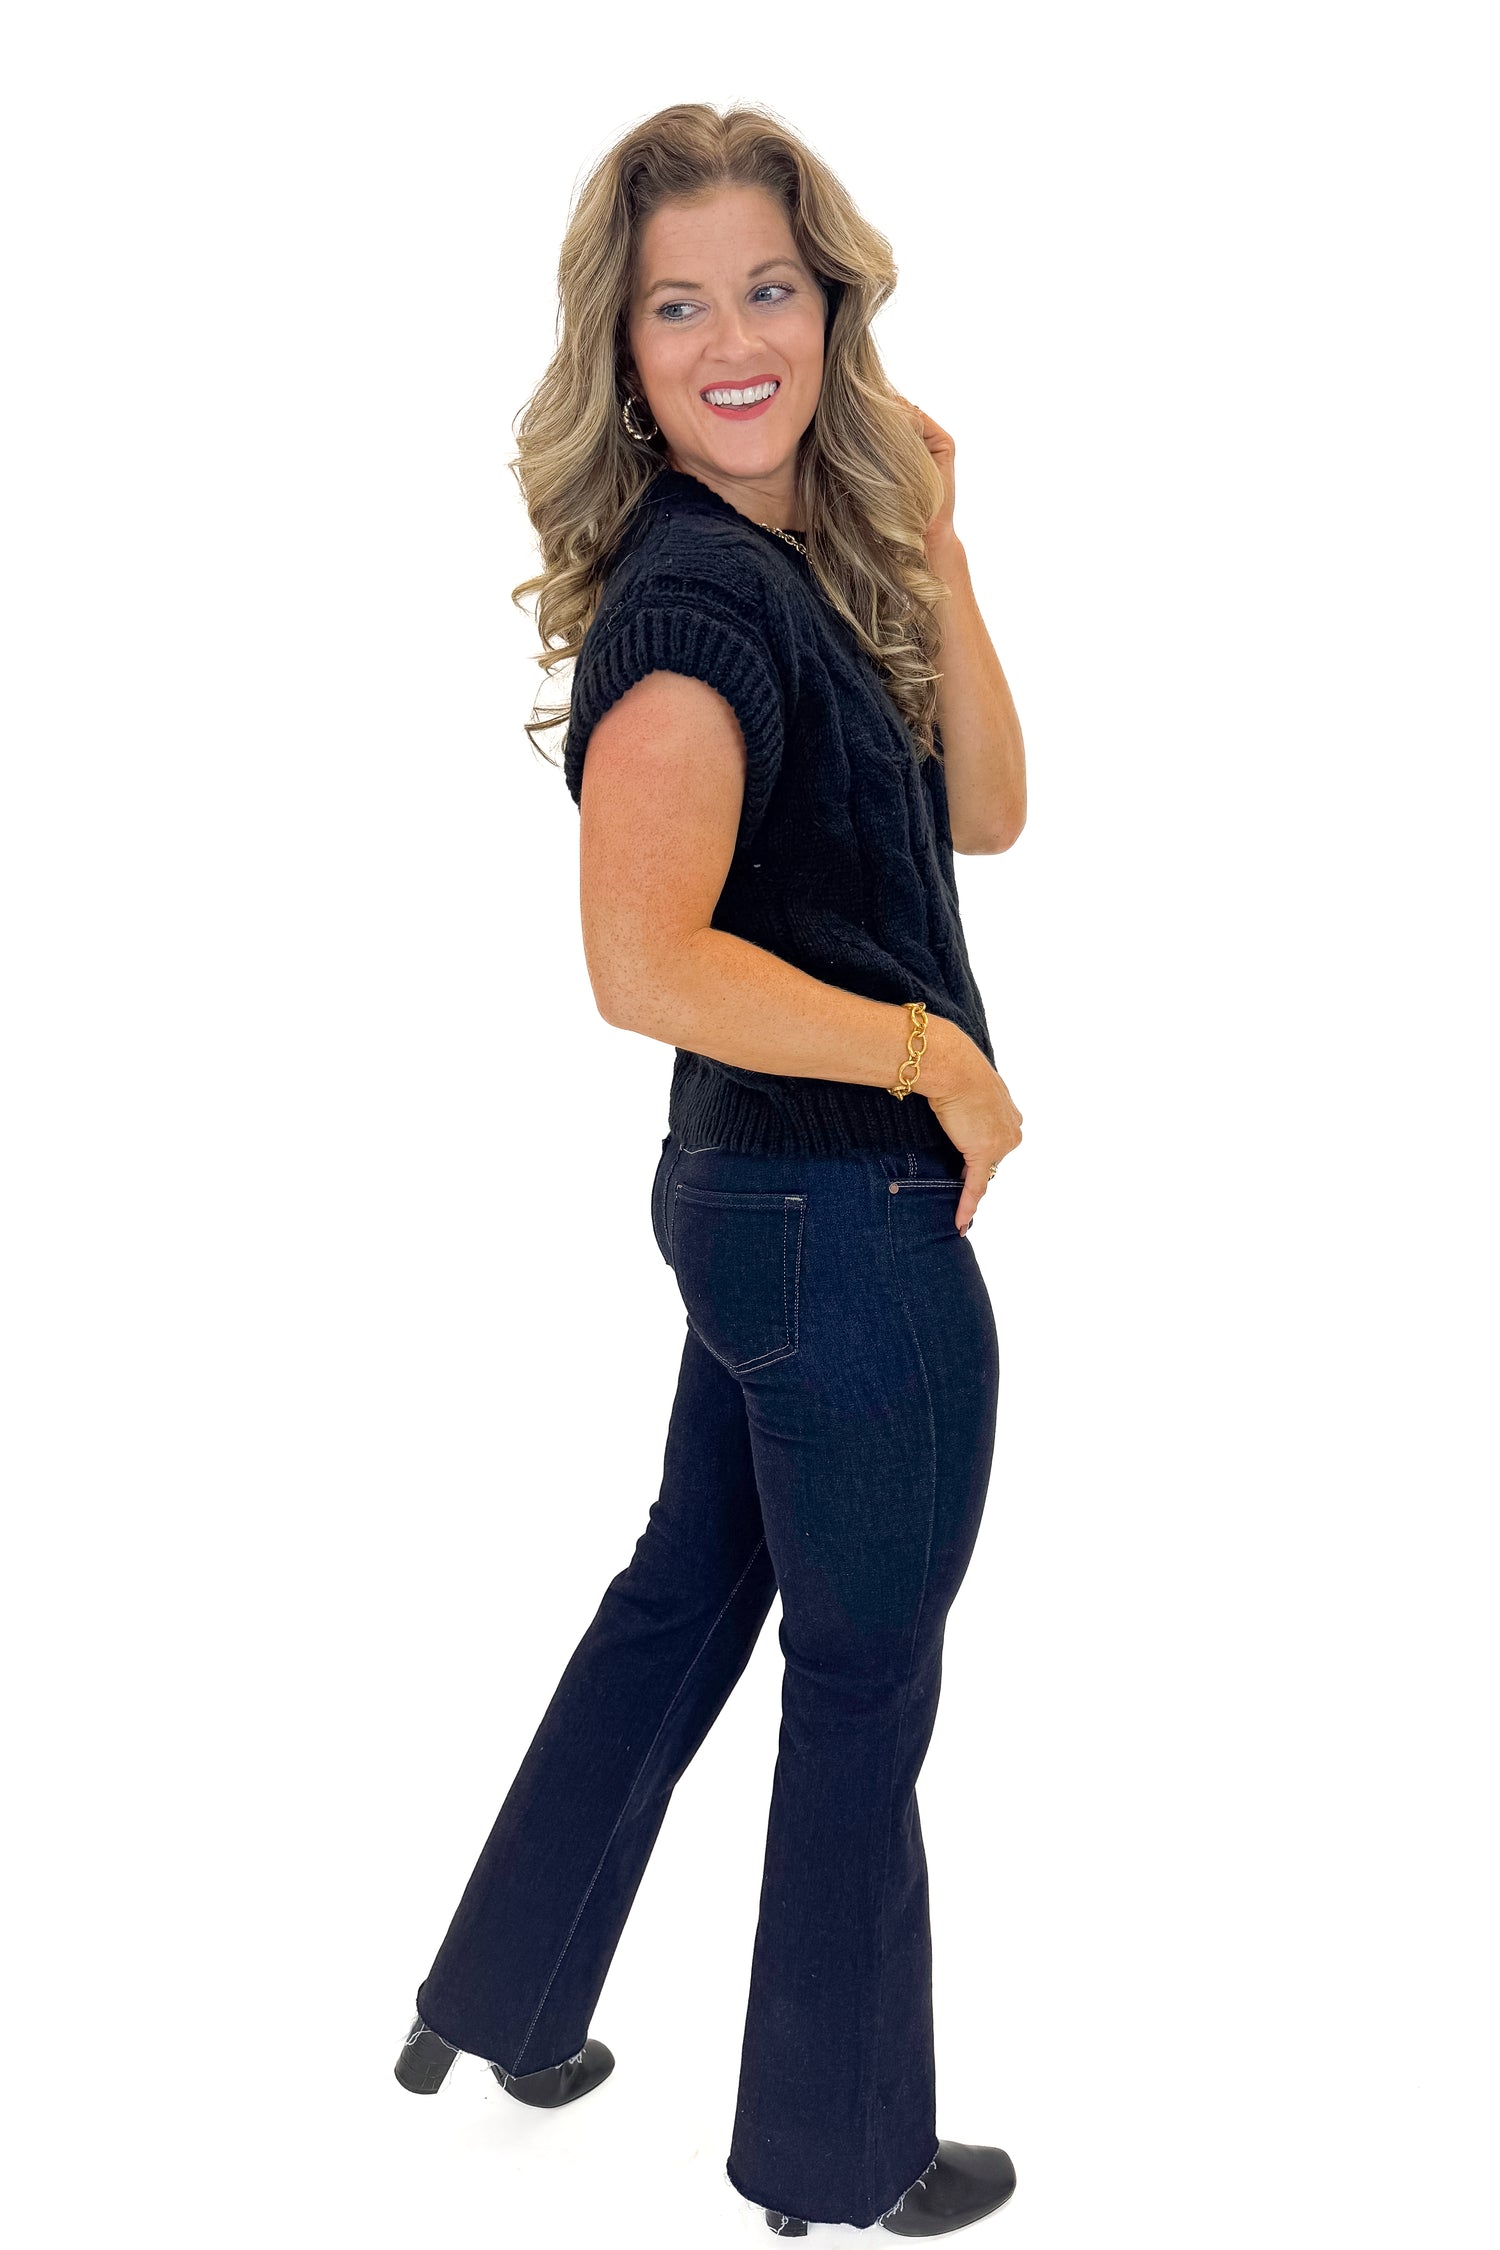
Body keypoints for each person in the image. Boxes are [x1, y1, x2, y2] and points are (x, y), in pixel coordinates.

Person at [394, 102, 1027, 2237]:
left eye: (772, 287)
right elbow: (638, 960)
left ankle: (496, 1993)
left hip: (754, 1210)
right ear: (625, 345)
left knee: (688, 1594)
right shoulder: (692, 620)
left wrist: (935, 536)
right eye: (682, 304)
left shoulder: (787, 572)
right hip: (840, 1223)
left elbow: (994, 817)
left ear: (835, 309)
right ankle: (837, 2160)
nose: (735, 338)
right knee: (863, 1683)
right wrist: (931, 1053)